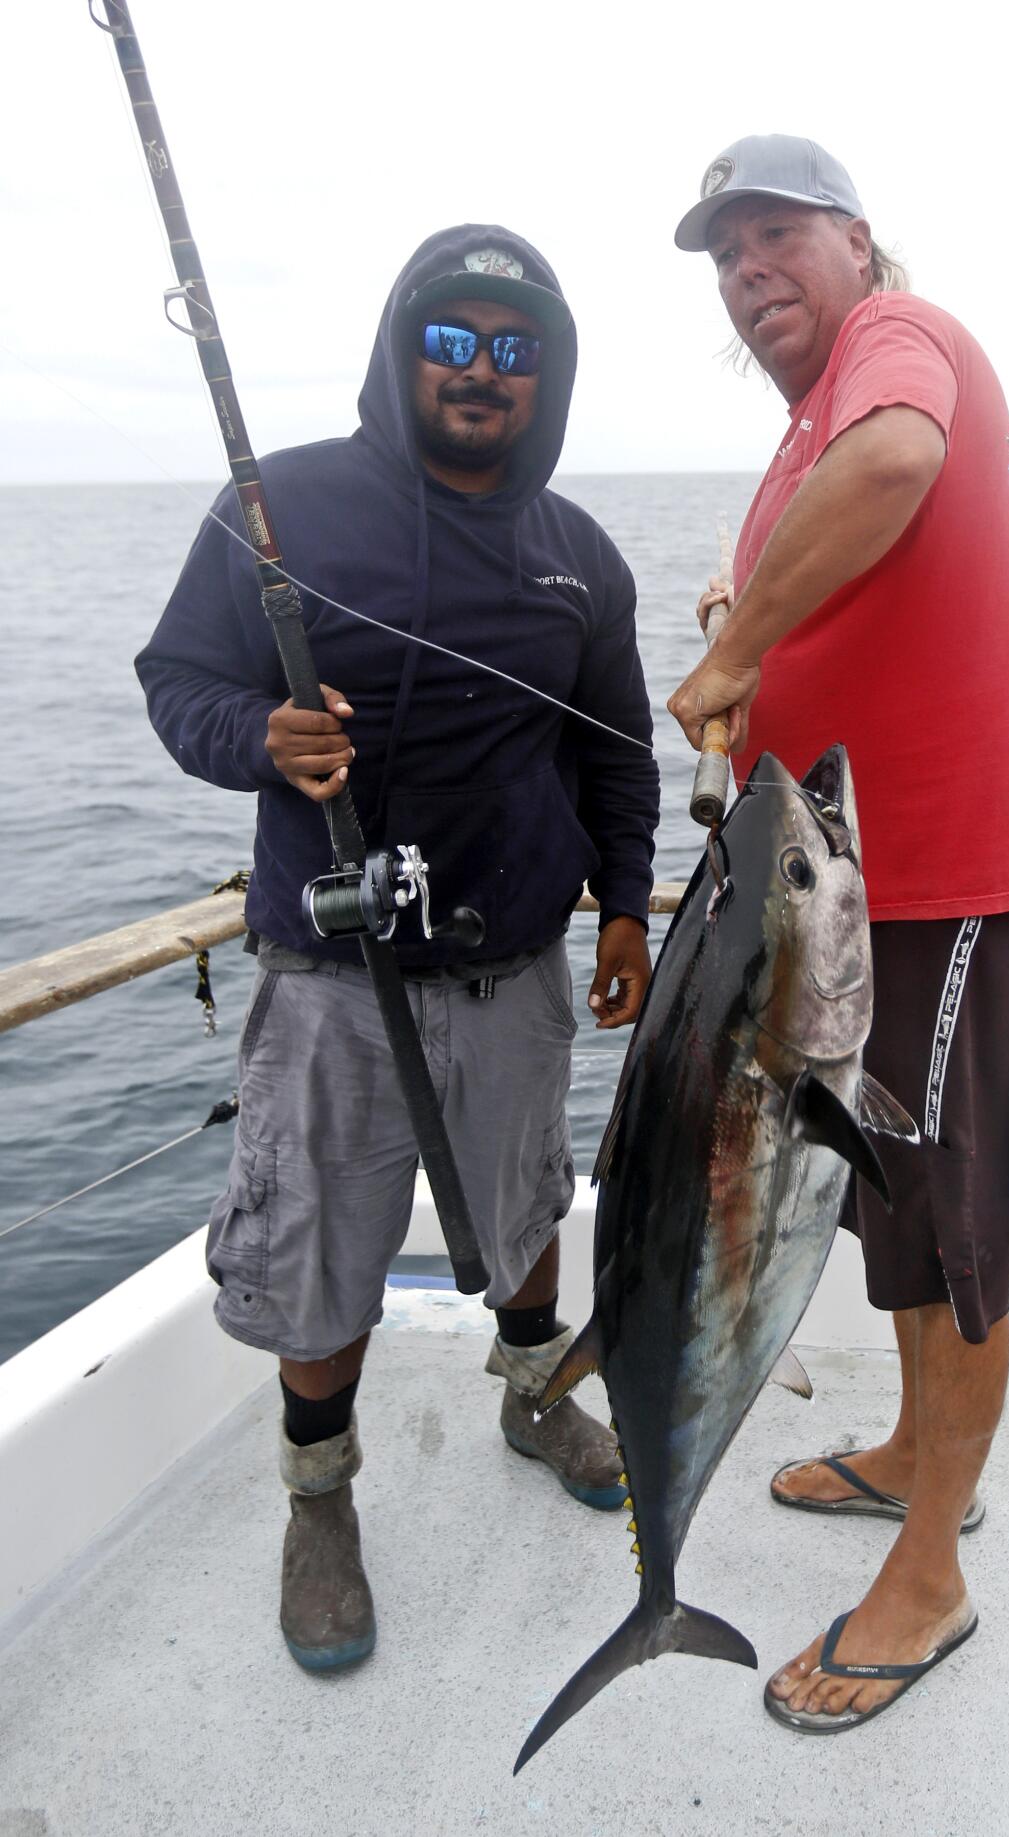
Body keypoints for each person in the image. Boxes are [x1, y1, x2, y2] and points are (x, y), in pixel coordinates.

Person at [137, 225, 659, 1672]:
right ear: (402, 348)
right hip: (330, 976)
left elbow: (617, 757)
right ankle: (321, 1500)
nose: (481, 371)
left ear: (544, 374)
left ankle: (535, 1389)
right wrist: (262, 736)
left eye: (513, 348)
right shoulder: (278, 508)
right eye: (452, 340)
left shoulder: (579, 556)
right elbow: (176, 681)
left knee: (528, 1197)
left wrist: (625, 903)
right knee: (320, 1249)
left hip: (517, 972)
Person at [667, 137, 1009, 1733]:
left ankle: (932, 1572)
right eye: (723, 252)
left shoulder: (894, 343)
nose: (749, 268)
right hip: (850, 891)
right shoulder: (801, 424)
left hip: (947, 878)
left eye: (776, 233)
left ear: (854, 236)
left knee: (952, 1218)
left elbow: (899, 461)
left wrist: (738, 646)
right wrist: (745, 632)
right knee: (890, 1197)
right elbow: (831, 552)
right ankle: (918, 1458)